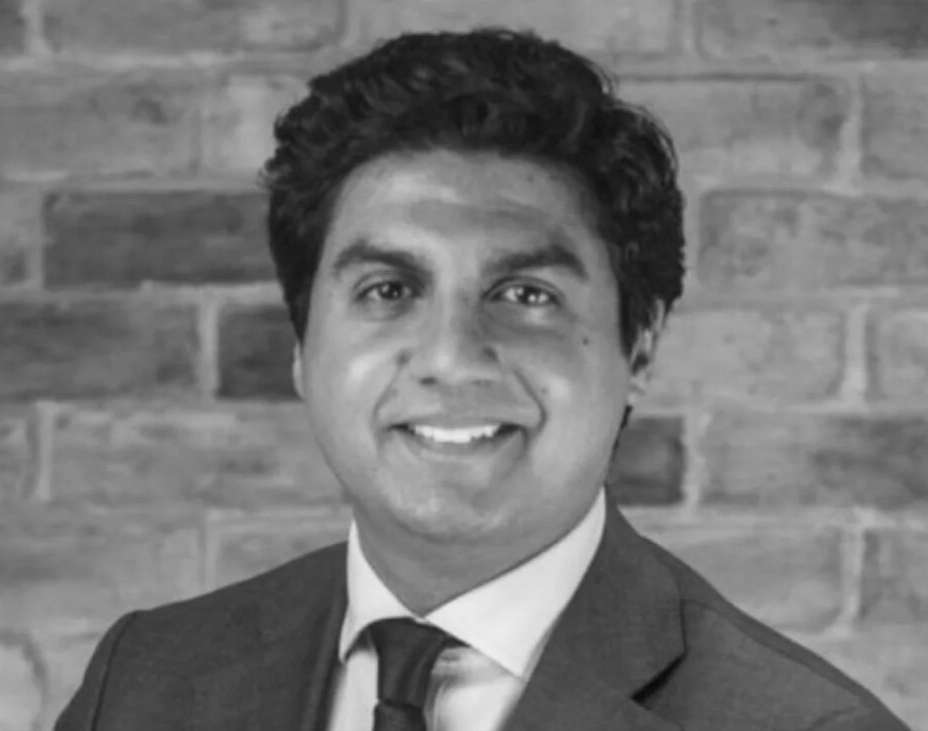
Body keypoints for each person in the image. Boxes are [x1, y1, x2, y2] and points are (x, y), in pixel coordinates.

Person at [56, 27, 910, 731]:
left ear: (641, 348)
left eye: (525, 294)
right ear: (302, 342)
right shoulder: (142, 683)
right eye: (389, 289)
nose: (452, 355)